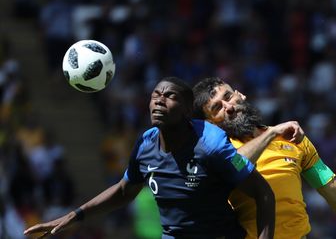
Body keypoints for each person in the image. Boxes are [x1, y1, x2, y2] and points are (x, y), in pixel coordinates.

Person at [24, 77, 276, 239]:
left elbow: (263, 193)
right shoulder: (146, 144)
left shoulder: (211, 144)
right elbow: (125, 190)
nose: (159, 101)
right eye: (155, 95)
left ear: (188, 110)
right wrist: (74, 215)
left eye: (170, 96)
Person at [192, 77, 336, 239]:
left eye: (228, 97)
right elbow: (233, 166)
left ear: (240, 95)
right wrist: (271, 133)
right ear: (209, 123)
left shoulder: (293, 139)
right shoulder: (214, 152)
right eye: (217, 108)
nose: (229, 107)